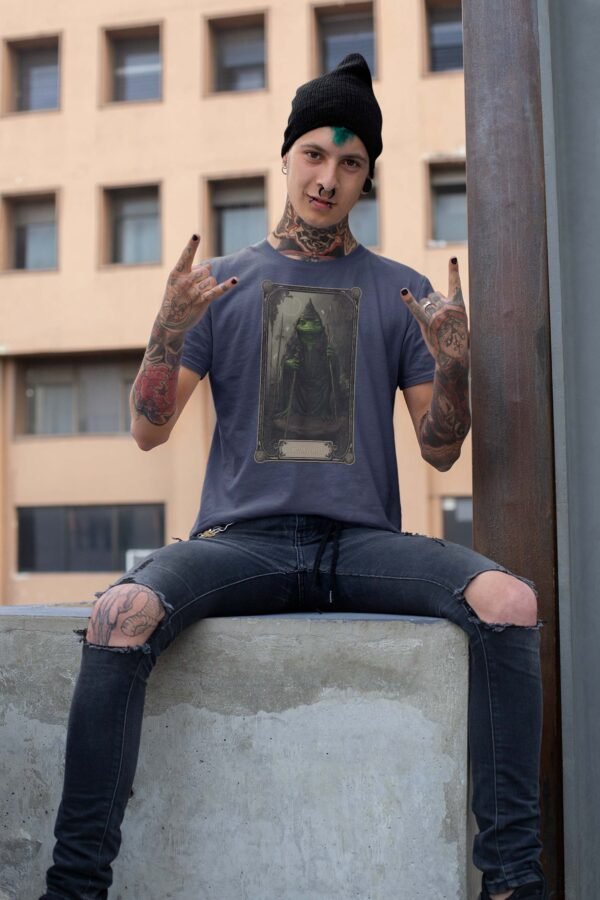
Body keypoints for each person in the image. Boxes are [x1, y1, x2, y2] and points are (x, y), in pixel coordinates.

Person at [41, 54, 546, 900]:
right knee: (119, 614)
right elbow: (145, 431)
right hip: (244, 543)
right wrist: (166, 331)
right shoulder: (224, 287)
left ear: (367, 179)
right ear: (286, 158)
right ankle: (75, 885)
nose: (329, 176)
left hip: (362, 546)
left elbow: (440, 450)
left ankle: (513, 882)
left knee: (512, 601)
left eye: (351, 163)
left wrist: (452, 369)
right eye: (315, 153)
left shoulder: (400, 292)